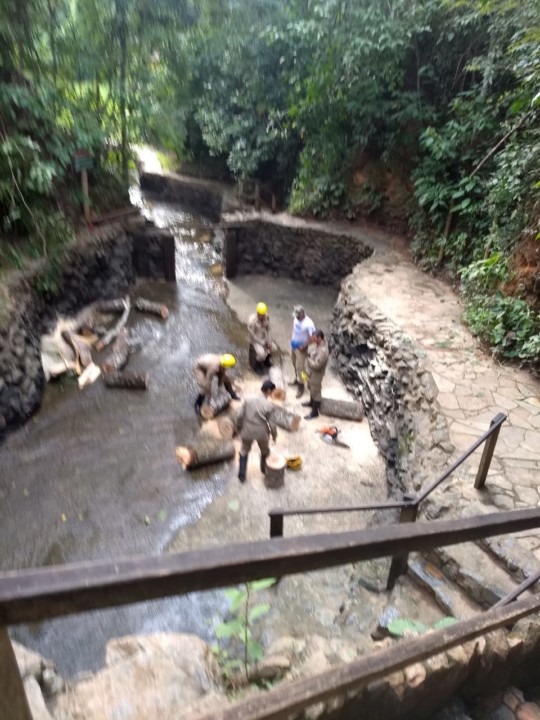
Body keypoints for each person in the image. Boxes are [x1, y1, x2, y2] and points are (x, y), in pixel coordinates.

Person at [236, 379, 277, 483]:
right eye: (272, 391)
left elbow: (240, 416)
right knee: (265, 450)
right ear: (269, 391)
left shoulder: (248, 400)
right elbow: (272, 425)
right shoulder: (269, 405)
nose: (272, 393)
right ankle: (264, 470)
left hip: (247, 430)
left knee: (244, 450)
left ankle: (242, 475)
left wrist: (238, 428)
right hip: (262, 432)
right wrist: (274, 436)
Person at [289, 305, 316, 399]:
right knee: (294, 363)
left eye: (297, 316)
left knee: (300, 368)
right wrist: (292, 337)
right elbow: (293, 327)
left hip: (301, 348)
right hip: (294, 345)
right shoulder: (296, 319)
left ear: (302, 314)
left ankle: (302, 384)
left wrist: (304, 346)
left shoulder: (309, 323)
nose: (296, 317)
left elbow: (313, 337)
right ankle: (297, 379)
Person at [302, 330, 329, 419]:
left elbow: (317, 365)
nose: (312, 340)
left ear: (319, 338)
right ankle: (311, 403)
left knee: (316, 391)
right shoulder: (318, 345)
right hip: (311, 372)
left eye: (314, 338)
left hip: (316, 374)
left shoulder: (323, 351)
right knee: (310, 387)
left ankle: (314, 412)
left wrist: (308, 358)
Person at [247, 302, 278, 375]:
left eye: (264, 314)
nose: (264, 316)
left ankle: (266, 361)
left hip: (264, 338)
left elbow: (268, 329)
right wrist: (261, 342)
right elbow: (252, 335)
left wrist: (269, 340)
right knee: (261, 354)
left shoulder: (266, 317)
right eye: (262, 315)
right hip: (255, 341)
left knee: (274, 349)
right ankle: (257, 366)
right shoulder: (252, 321)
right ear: (258, 313)